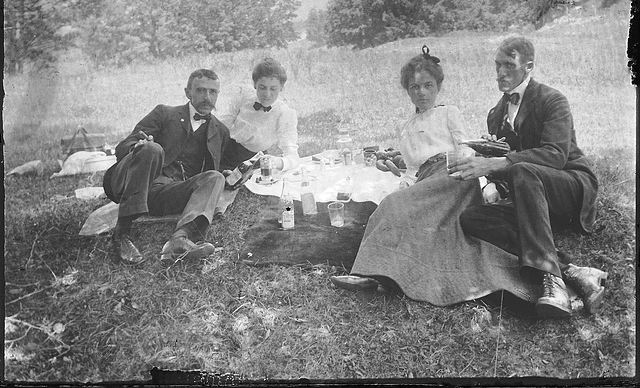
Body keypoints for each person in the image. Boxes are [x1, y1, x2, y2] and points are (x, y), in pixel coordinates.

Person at [331, 46, 540, 305]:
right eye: (414, 88)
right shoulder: (406, 127)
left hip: (454, 174)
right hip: (426, 180)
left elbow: (466, 148)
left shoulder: (448, 112)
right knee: (395, 203)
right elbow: (411, 169)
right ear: (407, 91)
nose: (422, 92)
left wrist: (484, 183)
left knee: (394, 206)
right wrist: (404, 186)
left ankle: (370, 273)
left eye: (428, 85)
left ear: (438, 86)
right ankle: (377, 274)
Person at [453, 37, 607, 317]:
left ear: (528, 67)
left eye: (509, 65)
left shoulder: (552, 99)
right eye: (498, 65)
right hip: (533, 201)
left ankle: (555, 285)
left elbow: (555, 155)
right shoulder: (496, 113)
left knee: (522, 170)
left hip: (570, 188)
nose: (501, 72)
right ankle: (572, 271)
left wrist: (498, 162)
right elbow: (511, 171)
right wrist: (490, 164)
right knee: (472, 218)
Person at [102, 68, 230, 265]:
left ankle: (179, 240)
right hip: (138, 183)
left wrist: (228, 174)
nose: (207, 97)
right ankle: (122, 235)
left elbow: (214, 170)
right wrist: (138, 147)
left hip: (170, 194)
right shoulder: (164, 113)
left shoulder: (220, 131)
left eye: (213, 92)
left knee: (216, 177)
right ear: (187, 92)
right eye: (200, 91)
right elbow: (123, 147)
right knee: (152, 149)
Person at [218, 57, 300, 172]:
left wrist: (276, 162)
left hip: (253, 162)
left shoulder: (284, 114)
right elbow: (221, 126)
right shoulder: (244, 96)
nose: (267, 94)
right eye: (262, 87)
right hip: (224, 153)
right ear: (255, 84)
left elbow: (293, 156)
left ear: (281, 88)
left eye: (273, 89)